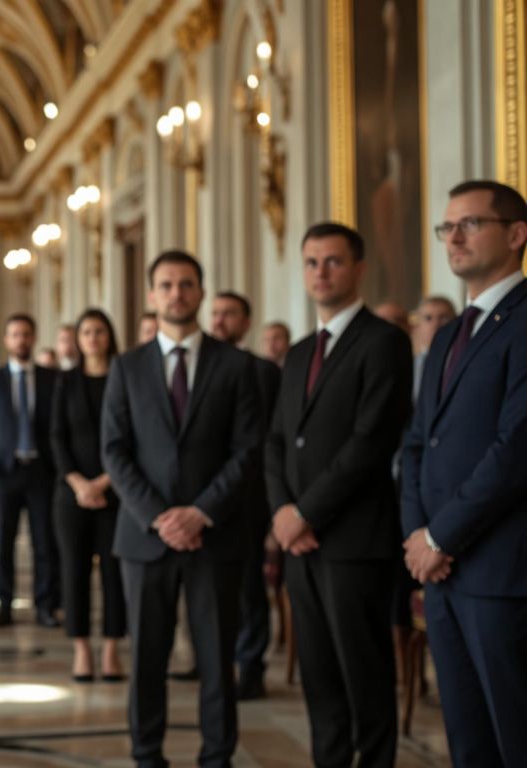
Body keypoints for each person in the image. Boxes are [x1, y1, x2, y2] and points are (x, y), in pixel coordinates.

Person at [101, 250, 260, 768]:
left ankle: (218, 756)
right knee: (147, 657)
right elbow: (115, 450)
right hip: (145, 538)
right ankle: (147, 755)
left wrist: (200, 512)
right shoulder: (127, 366)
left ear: (200, 292)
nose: (176, 293)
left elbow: (247, 449)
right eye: (166, 285)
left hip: (215, 534)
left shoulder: (235, 364)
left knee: (217, 659)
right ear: (152, 295)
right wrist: (159, 516)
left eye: (186, 284)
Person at [265, 223, 412, 766]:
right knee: (320, 678)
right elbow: (277, 439)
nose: (320, 273)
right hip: (300, 543)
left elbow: (370, 443)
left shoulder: (384, 341)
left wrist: (304, 513)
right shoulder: (301, 353)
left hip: (353, 541)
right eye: (311, 262)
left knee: (365, 680)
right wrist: (283, 512)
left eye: (332, 261)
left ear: (358, 269)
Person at [402, 180, 527, 767]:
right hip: (442, 573)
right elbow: (418, 442)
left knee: (516, 736)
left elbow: (516, 448)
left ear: (516, 234)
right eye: (446, 227)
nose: (453, 237)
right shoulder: (448, 334)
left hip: (503, 570)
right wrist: (416, 536)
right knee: (468, 741)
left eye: (470, 224)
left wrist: (440, 536)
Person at [208, 290, 282, 700]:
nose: (220, 321)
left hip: (252, 501)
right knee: (213, 590)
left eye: (229, 314)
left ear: (246, 322)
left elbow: (273, 442)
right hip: (205, 502)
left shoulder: (264, 372)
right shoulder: (197, 367)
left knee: (251, 590)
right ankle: (214, 663)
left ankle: (250, 667)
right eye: (215, 313)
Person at [50, 308, 125, 682]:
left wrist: (106, 482)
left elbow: (134, 437)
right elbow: (57, 437)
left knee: (115, 573)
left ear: (109, 335)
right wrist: (80, 483)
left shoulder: (125, 378)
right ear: (78, 340)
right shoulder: (66, 381)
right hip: (72, 494)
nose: (93, 338)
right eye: (86, 332)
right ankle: (82, 649)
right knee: (74, 571)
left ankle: (111, 648)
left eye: (99, 331)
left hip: (117, 492)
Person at [0, 313, 61, 628]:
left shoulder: (52, 379)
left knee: (44, 542)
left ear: (34, 337)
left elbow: (59, 426)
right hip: (4, 474)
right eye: (15, 335)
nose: (20, 340)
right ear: (6, 340)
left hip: (42, 472)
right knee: (4, 543)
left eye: (25, 334)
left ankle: (44, 606)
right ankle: (5, 605)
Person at [410, 295, 456, 395]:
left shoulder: (460, 361)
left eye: (443, 317)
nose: (436, 324)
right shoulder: (409, 364)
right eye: (428, 318)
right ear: (418, 325)